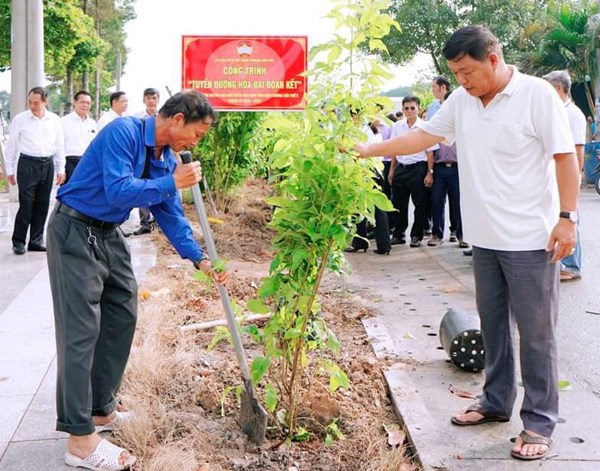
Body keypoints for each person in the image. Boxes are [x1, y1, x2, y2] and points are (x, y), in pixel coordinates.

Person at [355, 25, 579, 461]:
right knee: (492, 327)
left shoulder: (536, 95)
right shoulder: (461, 101)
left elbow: (565, 158)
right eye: (455, 74)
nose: (462, 81)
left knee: (536, 335)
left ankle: (538, 422)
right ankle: (496, 402)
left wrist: (567, 219)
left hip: (531, 238)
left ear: (493, 59)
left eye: (467, 72)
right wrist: (369, 150)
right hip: (484, 236)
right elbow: (424, 137)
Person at [46, 90, 229, 470]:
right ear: (177, 119)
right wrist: (172, 182)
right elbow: (119, 188)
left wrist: (199, 259)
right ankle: (80, 441)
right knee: (81, 331)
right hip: (74, 229)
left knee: (123, 314)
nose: (196, 143)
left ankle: (100, 410)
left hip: (108, 232)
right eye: (197, 134)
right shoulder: (123, 132)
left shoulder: (165, 160)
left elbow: (170, 213)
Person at [4, 86, 65, 254]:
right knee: (26, 204)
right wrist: (9, 170)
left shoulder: (54, 120)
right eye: (30, 102)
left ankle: (36, 240)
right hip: (27, 165)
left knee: (42, 203)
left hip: (48, 164)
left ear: (45, 101)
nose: (32, 106)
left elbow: (59, 145)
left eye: (36, 103)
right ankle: (18, 241)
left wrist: (61, 168)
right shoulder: (20, 120)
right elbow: (11, 147)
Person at [543, 70, 586, 282]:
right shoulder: (557, 111)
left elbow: (577, 151)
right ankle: (563, 262)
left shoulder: (573, 114)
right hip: (554, 176)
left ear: (558, 89)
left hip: (568, 177)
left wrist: (574, 181)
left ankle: (572, 266)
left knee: (570, 220)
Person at [388, 96, 438, 248]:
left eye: (412, 108)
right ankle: (399, 234)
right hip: (401, 168)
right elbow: (394, 149)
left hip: (419, 167)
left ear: (418, 109)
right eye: (406, 108)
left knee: (420, 203)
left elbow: (430, 152)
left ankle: (416, 235)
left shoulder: (426, 126)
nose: (409, 111)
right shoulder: (397, 126)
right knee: (398, 204)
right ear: (402, 110)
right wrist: (392, 170)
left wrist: (430, 172)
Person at [427, 90, 467, 249]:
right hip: (440, 168)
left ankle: (461, 235)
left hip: (458, 169)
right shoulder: (439, 124)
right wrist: (429, 172)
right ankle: (436, 234)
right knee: (437, 202)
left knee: (458, 203)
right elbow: (429, 149)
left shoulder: (464, 124)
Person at [132, 87, 161, 236]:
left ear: (158, 99)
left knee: (158, 187)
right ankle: (144, 223)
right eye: (148, 98)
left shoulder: (163, 117)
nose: (151, 101)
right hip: (142, 157)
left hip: (158, 157)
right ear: (144, 100)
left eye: (154, 98)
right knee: (142, 187)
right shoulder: (137, 117)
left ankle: (158, 223)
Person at [61, 91, 97, 183]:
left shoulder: (93, 123)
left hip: (88, 162)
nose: (85, 105)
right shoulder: (63, 122)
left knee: (86, 192)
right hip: (69, 162)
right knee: (69, 193)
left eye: (88, 103)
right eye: (82, 102)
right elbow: (59, 145)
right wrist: (61, 169)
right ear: (75, 102)